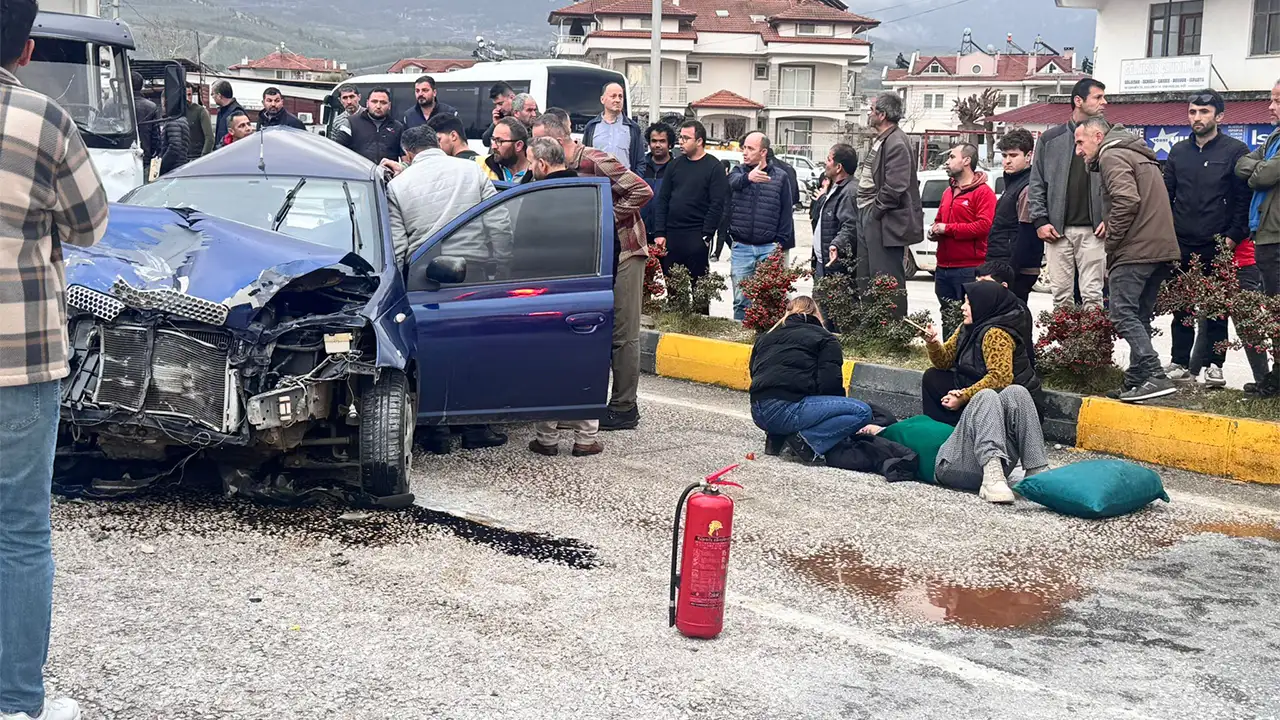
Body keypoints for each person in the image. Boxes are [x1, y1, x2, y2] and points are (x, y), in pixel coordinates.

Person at [1, 1, 110, 716]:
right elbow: (93, 224)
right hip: (19, 362)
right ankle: (15, 702)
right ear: (27, 47)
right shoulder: (42, 120)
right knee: (20, 533)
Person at [387, 126, 510, 454]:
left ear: (408, 154)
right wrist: (502, 263)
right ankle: (475, 426)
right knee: (477, 351)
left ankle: (435, 432)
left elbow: (399, 247)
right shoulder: (471, 170)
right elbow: (498, 222)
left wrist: (401, 283)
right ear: (437, 144)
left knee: (431, 352)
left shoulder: (398, 186)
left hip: (426, 279)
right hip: (476, 275)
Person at [532, 111, 653, 431]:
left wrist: (601, 219)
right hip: (595, 260)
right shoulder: (554, 171)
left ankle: (625, 407)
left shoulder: (595, 161)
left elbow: (641, 191)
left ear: (556, 141)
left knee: (623, 334)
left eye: (537, 141)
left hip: (626, 251)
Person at [1075, 116, 1181, 402]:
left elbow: (1126, 200)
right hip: (1160, 247)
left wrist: (1112, 242)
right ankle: (1136, 380)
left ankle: (1155, 374)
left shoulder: (1112, 155)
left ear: (1098, 136)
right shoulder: (1135, 152)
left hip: (1136, 248)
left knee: (1121, 312)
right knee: (1139, 315)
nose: (1078, 150)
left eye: (1080, 142)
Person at [1163, 89, 1253, 388]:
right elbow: (1167, 196)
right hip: (1182, 241)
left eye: (1204, 112)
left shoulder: (1235, 150)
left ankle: (1215, 366)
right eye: (1192, 112)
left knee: (1217, 309)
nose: (1197, 118)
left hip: (1219, 243)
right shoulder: (1178, 152)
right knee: (1182, 306)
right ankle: (1179, 362)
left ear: (1219, 116)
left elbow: (1243, 201)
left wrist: (1232, 237)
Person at [525, 136, 603, 456]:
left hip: (545, 292)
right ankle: (585, 439)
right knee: (585, 363)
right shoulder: (589, 193)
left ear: (542, 164)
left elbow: (520, 243)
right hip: (586, 291)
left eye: (532, 163)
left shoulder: (535, 195)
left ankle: (547, 439)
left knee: (547, 363)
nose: (530, 168)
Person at [749, 296, 872, 462]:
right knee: (861, 411)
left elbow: (755, 373)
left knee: (791, 393)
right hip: (785, 409)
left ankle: (775, 438)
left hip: (758, 411)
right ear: (817, 314)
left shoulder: (766, 337)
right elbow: (830, 383)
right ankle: (807, 442)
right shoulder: (825, 338)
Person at [1028, 78, 1108, 309]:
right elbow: (1036, 184)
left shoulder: (1108, 138)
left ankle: (1093, 345)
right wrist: (1040, 221)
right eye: (1098, 97)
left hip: (1095, 231)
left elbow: (1120, 185)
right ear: (1078, 101)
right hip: (1056, 231)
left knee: (1093, 296)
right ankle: (1065, 345)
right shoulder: (1049, 139)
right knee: (1061, 298)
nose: (1104, 102)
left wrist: (1110, 218)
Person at [920, 281, 1041, 427]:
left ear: (984, 305)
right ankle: (944, 430)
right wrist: (932, 343)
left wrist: (964, 396)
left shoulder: (996, 333)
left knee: (981, 396)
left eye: (969, 304)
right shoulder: (969, 325)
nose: (962, 308)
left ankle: (963, 433)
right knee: (933, 376)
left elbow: (1000, 379)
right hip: (977, 382)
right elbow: (944, 362)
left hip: (1010, 401)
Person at [652, 120, 728, 311]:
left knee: (700, 291)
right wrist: (660, 232)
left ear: (699, 140)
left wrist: (706, 234)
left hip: (697, 236)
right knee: (674, 291)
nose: (681, 142)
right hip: (672, 235)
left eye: (686, 138)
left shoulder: (713, 167)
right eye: (680, 137)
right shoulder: (674, 165)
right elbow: (663, 200)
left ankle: (699, 330)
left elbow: (717, 204)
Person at [858, 91, 922, 316]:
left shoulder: (896, 142)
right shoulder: (884, 139)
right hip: (871, 214)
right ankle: (872, 329)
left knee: (887, 278)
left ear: (882, 114)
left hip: (884, 220)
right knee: (867, 275)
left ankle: (892, 332)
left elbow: (895, 186)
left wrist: (874, 212)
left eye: (872, 109)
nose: (869, 112)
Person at [1235, 79, 1280, 393]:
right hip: (1264, 233)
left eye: (1277, 100)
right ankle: (1275, 380)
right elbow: (1243, 165)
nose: (1271, 106)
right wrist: (1261, 167)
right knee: (1274, 310)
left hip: (1276, 236)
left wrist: (1260, 169)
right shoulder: (1276, 136)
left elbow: (1262, 175)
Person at [726, 131, 794, 321]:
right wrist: (749, 178)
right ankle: (740, 338)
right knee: (741, 300)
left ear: (763, 152)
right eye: (744, 148)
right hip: (742, 247)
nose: (745, 152)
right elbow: (731, 183)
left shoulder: (780, 177)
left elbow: (786, 212)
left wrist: (779, 244)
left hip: (769, 247)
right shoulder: (738, 172)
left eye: (750, 148)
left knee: (772, 301)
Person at [931, 143, 996, 333]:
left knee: (970, 317)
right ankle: (948, 360)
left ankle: (967, 361)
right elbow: (939, 221)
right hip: (943, 267)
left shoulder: (984, 193)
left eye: (952, 157)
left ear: (966, 160)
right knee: (948, 317)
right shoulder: (947, 192)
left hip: (969, 268)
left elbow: (984, 226)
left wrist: (947, 229)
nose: (947, 162)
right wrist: (934, 231)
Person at [988, 128, 1042, 302]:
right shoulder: (1012, 184)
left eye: (1013, 155)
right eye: (1004, 156)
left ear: (1028, 156)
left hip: (1015, 268)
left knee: (1012, 316)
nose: (1007, 161)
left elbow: (1025, 233)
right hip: (1003, 263)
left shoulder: (1027, 187)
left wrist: (1010, 269)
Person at [815, 144, 859, 282]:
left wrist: (837, 245)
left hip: (836, 267)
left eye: (828, 160)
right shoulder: (836, 188)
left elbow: (850, 225)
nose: (825, 164)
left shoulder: (849, 192)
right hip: (824, 263)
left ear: (838, 167)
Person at [333, 87, 404, 165]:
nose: (378, 106)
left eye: (383, 102)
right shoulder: (350, 123)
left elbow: (405, 159)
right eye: (374, 102)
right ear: (367, 103)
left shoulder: (398, 127)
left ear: (389, 105)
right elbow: (338, 152)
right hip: (358, 174)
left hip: (388, 175)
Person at [583, 81, 644, 172]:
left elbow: (640, 162)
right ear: (602, 99)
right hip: (599, 183)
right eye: (613, 96)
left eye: (620, 96)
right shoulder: (591, 127)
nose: (617, 100)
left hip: (625, 183)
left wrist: (633, 183)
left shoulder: (633, 128)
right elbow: (585, 160)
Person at [637, 122, 675, 244]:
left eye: (662, 141)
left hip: (665, 234)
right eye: (654, 141)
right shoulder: (640, 167)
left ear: (670, 144)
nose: (657, 145)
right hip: (640, 233)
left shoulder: (676, 168)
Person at [477, 116, 531, 183]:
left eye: (499, 141)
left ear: (518, 145)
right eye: (493, 139)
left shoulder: (536, 173)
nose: (493, 146)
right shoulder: (482, 166)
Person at [131, 71, 161, 175]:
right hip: (145, 158)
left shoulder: (112, 104)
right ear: (141, 86)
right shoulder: (151, 107)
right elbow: (156, 139)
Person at [158, 97, 189, 176]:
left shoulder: (172, 122)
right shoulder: (182, 120)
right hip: (180, 166)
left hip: (172, 168)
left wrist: (162, 164)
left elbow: (174, 147)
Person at [481, 81, 515, 148]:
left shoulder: (522, 114)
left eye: (500, 104)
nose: (498, 108)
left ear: (512, 98)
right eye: (496, 105)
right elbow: (486, 141)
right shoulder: (501, 117)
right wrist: (495, 124)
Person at [211, 79, 243, 148]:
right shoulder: (221, 111)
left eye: (212, 94)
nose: (212, 97)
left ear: (219, 96)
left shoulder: (237, 113)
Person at [184, 84, 213, 160]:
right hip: (180, 158)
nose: (188, 98)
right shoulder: (175, 112)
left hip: (196, 156)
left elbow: (209, 138)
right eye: (185, 95)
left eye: (189, 95)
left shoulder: (200, 111)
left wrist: (203, 157)